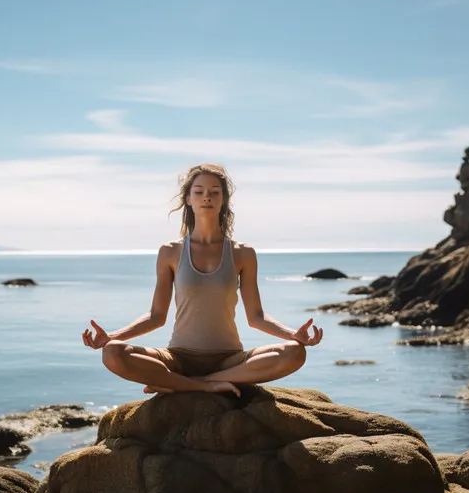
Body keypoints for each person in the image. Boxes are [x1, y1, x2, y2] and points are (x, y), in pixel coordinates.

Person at [82, 163, 323, 396]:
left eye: (214, 192)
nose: (206, 197)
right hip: (178, 358)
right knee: (113, 353)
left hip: (230, 360)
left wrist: (294, 335)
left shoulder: (243, 253)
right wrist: (112, 337)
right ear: (188, 198)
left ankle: (194, 383)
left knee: (294, 353)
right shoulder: (170, 251)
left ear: (223, 199)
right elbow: (156, 316)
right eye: (199, 192)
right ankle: (203, 386)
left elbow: (256, 317)